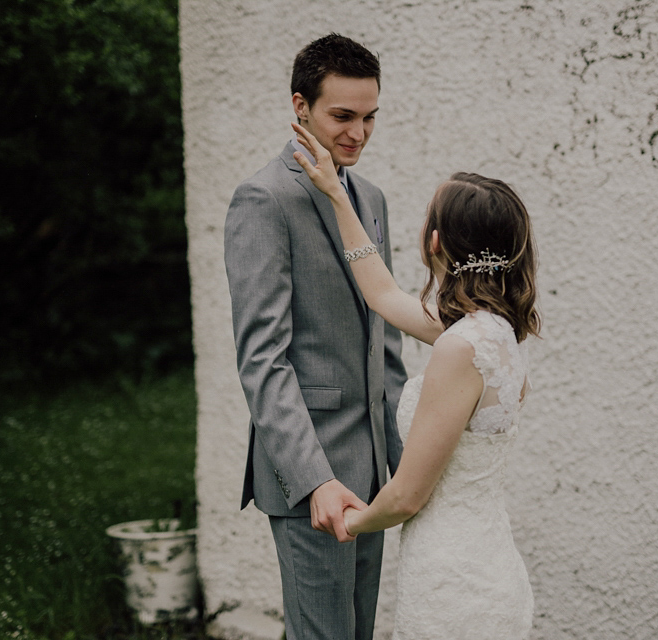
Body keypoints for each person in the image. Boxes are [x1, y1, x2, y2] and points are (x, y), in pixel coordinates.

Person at [293, 121, 541, 639]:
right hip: (490, 567)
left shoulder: (458, 346)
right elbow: (382, 294)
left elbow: (407, 495)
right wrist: (339, 195)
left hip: (452, 584)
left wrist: (347, 522)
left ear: (434, 240)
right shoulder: (496, 334)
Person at [224, 34, 408, 640]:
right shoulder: (264, 199)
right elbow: (262, 360)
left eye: (370, 116)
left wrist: (400, 461)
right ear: (300, 106)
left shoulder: (370, 198)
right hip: (311, 476)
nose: (359, 132)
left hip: (375, 472)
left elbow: (385, 344)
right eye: (343, 117)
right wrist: (314, 480)